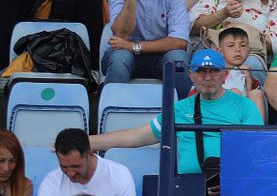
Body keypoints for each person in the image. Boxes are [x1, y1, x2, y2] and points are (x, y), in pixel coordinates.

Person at [92, 47, 262, 174]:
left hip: (232, 186)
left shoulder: (244, 106)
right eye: (201, 72)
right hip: (187, 189)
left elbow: (255, 151)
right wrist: (87, 142)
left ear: (225, 75)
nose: (208, 78)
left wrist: (229, 179)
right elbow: (136, 136)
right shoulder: (180, 109)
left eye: (214, 71)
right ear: (191, 76)